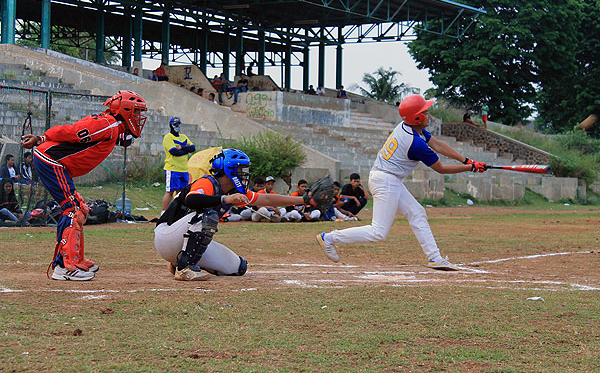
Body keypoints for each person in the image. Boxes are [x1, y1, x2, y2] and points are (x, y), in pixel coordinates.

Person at [316, 94, 487, 270]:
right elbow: (441, 168)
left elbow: (438, 145)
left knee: (417, 213)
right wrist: (470, 167)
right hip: (386, 181)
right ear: (417, 118)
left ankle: (434, 257)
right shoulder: (415, 144)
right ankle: (329, 238)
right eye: (425, 113)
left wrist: (466, 160)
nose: (429, 115)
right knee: (378, 232)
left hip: (389, 179)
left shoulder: (408, 127)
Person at [21, 90, 148, 280]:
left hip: (54, 162)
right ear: (125, 110)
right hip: (51, 160)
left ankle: (74, 260)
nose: (139, 117)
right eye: (136, 112)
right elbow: (72, 132)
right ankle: (65, 267)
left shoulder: (112, 126)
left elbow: (115, 138)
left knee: (80, 208)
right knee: (73, 210)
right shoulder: (107, 123)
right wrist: (41, 138)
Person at [153, 148, 318, 281]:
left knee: (238, 268)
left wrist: (305, 200)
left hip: (180, 240)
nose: (243, 173)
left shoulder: (232, 191)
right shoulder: (208, 182)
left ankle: (177, 261)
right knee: (208, 215)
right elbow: (192, 200)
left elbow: (266, 198)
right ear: (229, 169)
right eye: (240, 169)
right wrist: (225, 198)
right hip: (166, 235)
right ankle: (184, 267)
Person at [162, 117, 196, 213]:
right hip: (172, 168)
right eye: (175, 124)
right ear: (171, 126)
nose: (177, 126)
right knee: (170, 191)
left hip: (184, 169)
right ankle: (164, 212)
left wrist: (181, 147)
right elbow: (174, 152)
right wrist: (186, 149)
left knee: (182, 192)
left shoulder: (183, 137)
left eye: (179, 124)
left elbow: (193, 148)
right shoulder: (168, 137)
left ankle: (178, 212)